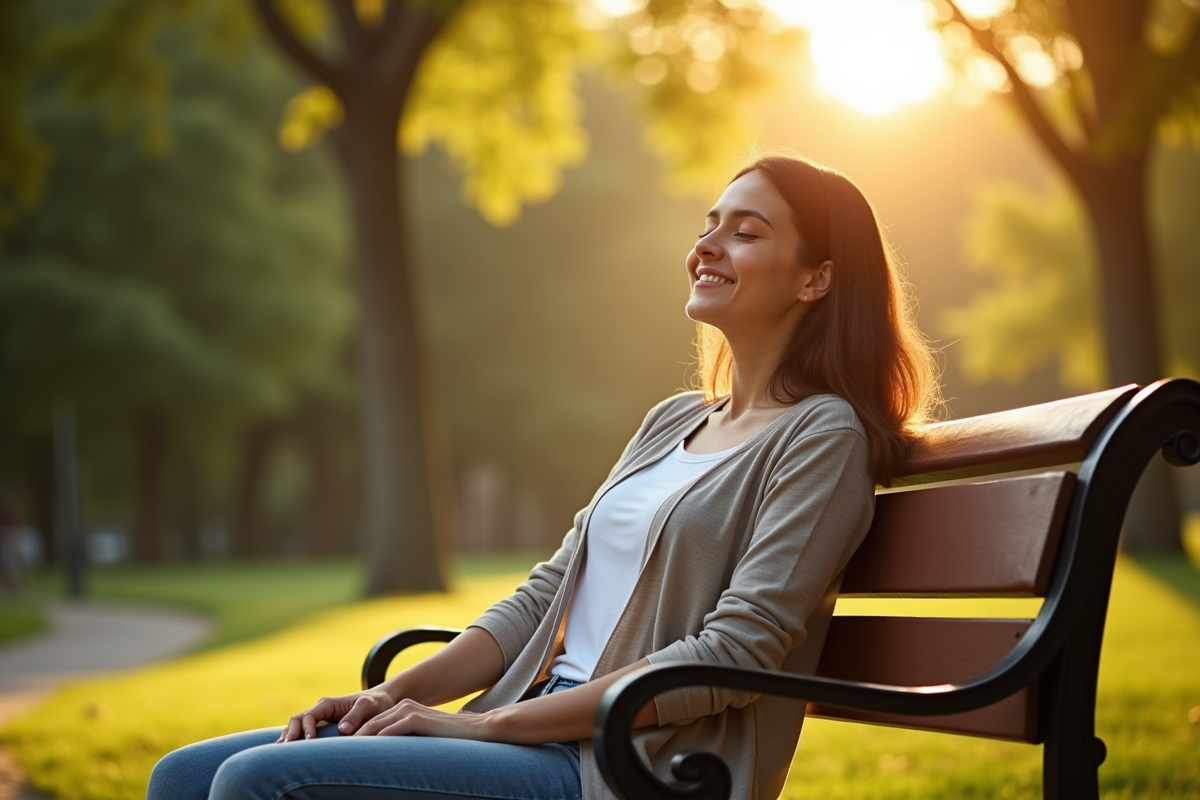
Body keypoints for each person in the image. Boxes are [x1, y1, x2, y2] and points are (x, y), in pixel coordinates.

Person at [148, 153, 941, 800]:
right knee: (181, 776)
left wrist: (481, 728)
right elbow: (543, 597)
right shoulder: (672, 420)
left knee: (260, 784)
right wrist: (393, 698)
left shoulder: (823, 436)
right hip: (531, 726)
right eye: (708, 226)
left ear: (816, 280)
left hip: (628, 766)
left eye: (747, 232)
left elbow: (734, 652)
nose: (708, 246)